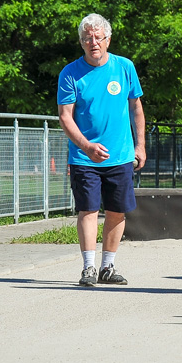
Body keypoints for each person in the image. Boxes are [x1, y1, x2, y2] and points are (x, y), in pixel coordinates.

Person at [57, 14, 147, 287]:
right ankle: (88, 268)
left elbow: (136, 108)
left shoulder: (124, 67)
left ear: (108, 39)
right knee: (88, 210)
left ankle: (108, 266)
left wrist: (140, 145)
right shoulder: (70, 73)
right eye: (87, 38)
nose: (93, 42)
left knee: (117, 211)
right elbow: (65, 116)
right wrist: (86, 146)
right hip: (84, 156)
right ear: (81, 42)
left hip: (120, 154)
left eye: (98, 37)